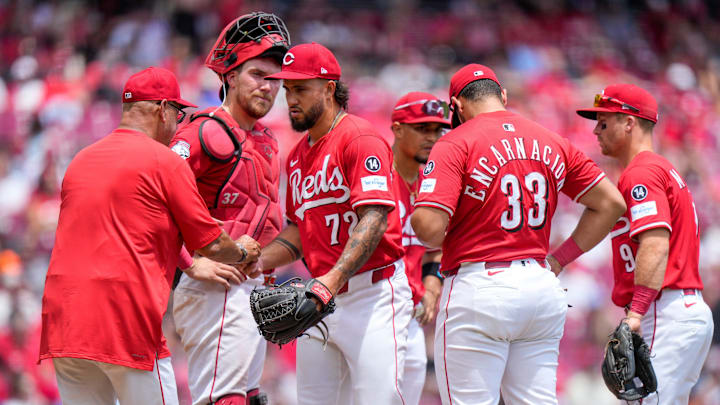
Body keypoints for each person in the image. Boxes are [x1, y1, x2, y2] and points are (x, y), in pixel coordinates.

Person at [38, 67, 261, 405]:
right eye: (178, 113)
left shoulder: (81, 160)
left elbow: (133, 223)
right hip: (124, 322)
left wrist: (189, 265)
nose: (178, 124)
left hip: (65, 321)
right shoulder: (164, 161)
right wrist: (243, 253)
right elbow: (211, 243)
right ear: (162, 110)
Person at [411, 64, 626, 405]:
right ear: (503, 97)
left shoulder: (455, 142)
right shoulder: (551, 139)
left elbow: (429, 231)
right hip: (540, 286)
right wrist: (559, 259)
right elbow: (612, 204)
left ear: (457, 105)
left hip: (479, 287)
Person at [260, 42, 411, 404]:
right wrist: (259, 260)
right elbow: (298, 231)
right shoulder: (297, 157)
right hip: (320, 297)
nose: (290, 99)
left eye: (300, 89)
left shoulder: (359, 138)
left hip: (372, 295)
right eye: (287, 90)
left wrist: (331, 281)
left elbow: (373, 218)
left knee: (380, 399)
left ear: (329, 89)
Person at [168, 12, 289, 405]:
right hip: (215, 283)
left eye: (275, 79)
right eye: (257, 74)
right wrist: (189, 263)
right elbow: (154, 201)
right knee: (226, 399)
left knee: (248, 397)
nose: (268, 86)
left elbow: (266, 221)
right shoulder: (205, 129)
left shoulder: (268, 139)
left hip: (248, 286)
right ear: (231, 75)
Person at [576, 83, 714, 404]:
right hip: (678, 307)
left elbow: (655, 243)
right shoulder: (657, 169)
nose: (596, 129)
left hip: (664, 311)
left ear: (629, 122)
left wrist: (635, 314)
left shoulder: (642, 172)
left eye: (604, 121)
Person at [390, 91, 447, 404]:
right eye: (422, 128)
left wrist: (431, 284)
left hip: (410, 316)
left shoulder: (433, 182)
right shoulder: (377, 176)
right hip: (373, 306)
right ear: (397, 129)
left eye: (437, 130)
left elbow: (438, 246)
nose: (432, 137)